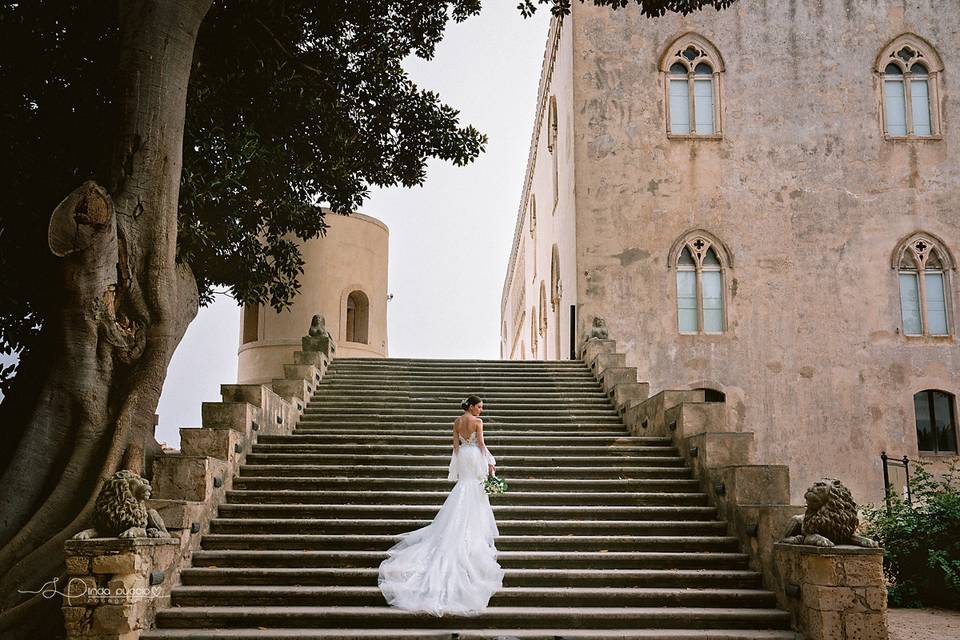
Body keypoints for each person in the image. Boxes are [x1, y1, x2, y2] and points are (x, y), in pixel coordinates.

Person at [377, 395, 504, 616]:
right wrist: (490, 463)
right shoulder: (478, 423)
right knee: (475, 491)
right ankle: (471, 534)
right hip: (474, 455)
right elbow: (482, 444)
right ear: (472, 406)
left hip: (463, 455)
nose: (481, 410)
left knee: (464, 488)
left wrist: (457, 466)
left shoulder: (456, 422)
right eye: (480, 407)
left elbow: (454, 447)